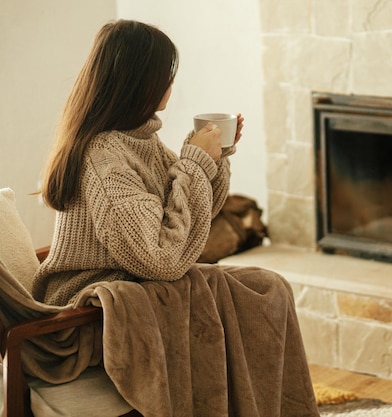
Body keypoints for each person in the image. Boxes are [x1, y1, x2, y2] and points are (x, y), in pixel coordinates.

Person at [32, 19, 319, 417]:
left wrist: (215, 158)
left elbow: (193, 217)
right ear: (142, 80)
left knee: (269, 288)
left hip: (138, 283)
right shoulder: (105, 157)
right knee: (263, 294)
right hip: (89, 312)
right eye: (167, 73)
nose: (172, 83)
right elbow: (162, 258)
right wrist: (196, 162)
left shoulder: (140, 138)